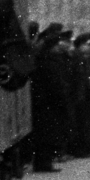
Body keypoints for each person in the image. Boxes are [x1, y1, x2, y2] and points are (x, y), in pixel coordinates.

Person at [30, 25, 72, 171]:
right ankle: (44, 163)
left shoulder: (43, 59)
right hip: (49, 104)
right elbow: (56, 85)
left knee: (45, 134)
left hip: (43, 103)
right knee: (48, 135)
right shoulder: (50, 62)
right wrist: (62, 99)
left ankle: (43, 162)